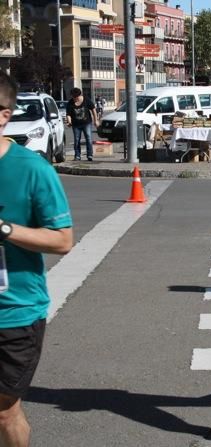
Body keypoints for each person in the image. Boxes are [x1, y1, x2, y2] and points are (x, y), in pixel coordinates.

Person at [0, 71, 74, 447]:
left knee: (4, 410)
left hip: (14, 313)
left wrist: (5, 230)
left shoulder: (32, 169)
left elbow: (62, 240)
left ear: (3, 114)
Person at [66, 87, 98, 161]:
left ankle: (89, 155)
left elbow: (93, 110)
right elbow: (68, 114)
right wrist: (69, 122)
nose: (74, 99)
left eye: (75, 97)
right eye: (73, 97)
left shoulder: (86, 100)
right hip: (76, 125)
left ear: (79, 96)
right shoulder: (70, 103)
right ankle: (77, 155)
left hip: (86, 123)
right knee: (76, 140)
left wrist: (96, 120)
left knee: (88, 138)